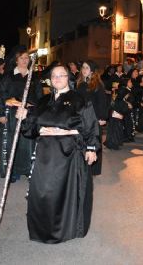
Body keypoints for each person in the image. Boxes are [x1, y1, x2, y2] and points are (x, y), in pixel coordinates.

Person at [17, 64, 99, 244]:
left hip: (68, 155)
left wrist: (92, 148)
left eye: (61, 75)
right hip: (44, 155)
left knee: (62, 194)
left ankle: (64, 230)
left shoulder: (80, 100)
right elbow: (30, 131)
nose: (57, 79)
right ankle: (43, 229)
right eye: (54, 76)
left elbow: (90, 125)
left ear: (68, 78)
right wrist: (25, 117)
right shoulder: (43, 101)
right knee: (43, 192)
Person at [0, 47, 43, 181]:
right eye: (21, 58)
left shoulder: (34, 78)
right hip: (12, 115)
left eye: (27, 58)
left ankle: (29, 169)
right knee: (13, 142)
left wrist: (32, 107)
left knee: (28, 142)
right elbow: (0, 95)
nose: (24, 60)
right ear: (16, 60)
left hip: (28, 115)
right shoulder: (9, 76)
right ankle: (13, 170)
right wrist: (1, 113)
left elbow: (39, 97)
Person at [76, 61, 108, 176]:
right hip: (81, 117)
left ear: (92, 70)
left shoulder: (97, 84)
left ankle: (94, 169)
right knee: (82, 141)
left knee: (94, 142)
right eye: (83, 67)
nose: (84, 70)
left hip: (94, 117)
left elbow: (102, 101)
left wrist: (102, 117)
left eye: (87, 68)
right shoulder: (80, 83)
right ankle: (81, 166)